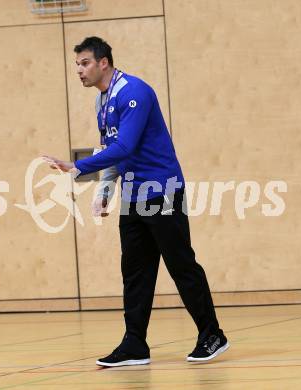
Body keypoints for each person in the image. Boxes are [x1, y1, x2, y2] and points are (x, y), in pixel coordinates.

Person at [43, 36, 229, 367]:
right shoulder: (102, 101)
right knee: (135, 272)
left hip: (163, 191)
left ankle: (212, 334)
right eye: (77, 65)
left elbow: (126, 146)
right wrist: (104, 192)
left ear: (103, 63)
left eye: (84, 63)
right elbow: (112, 151)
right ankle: (134, 345)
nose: (79, 71)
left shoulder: (134, 93)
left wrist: (78, 167)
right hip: (133, 196)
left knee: (181, 265)